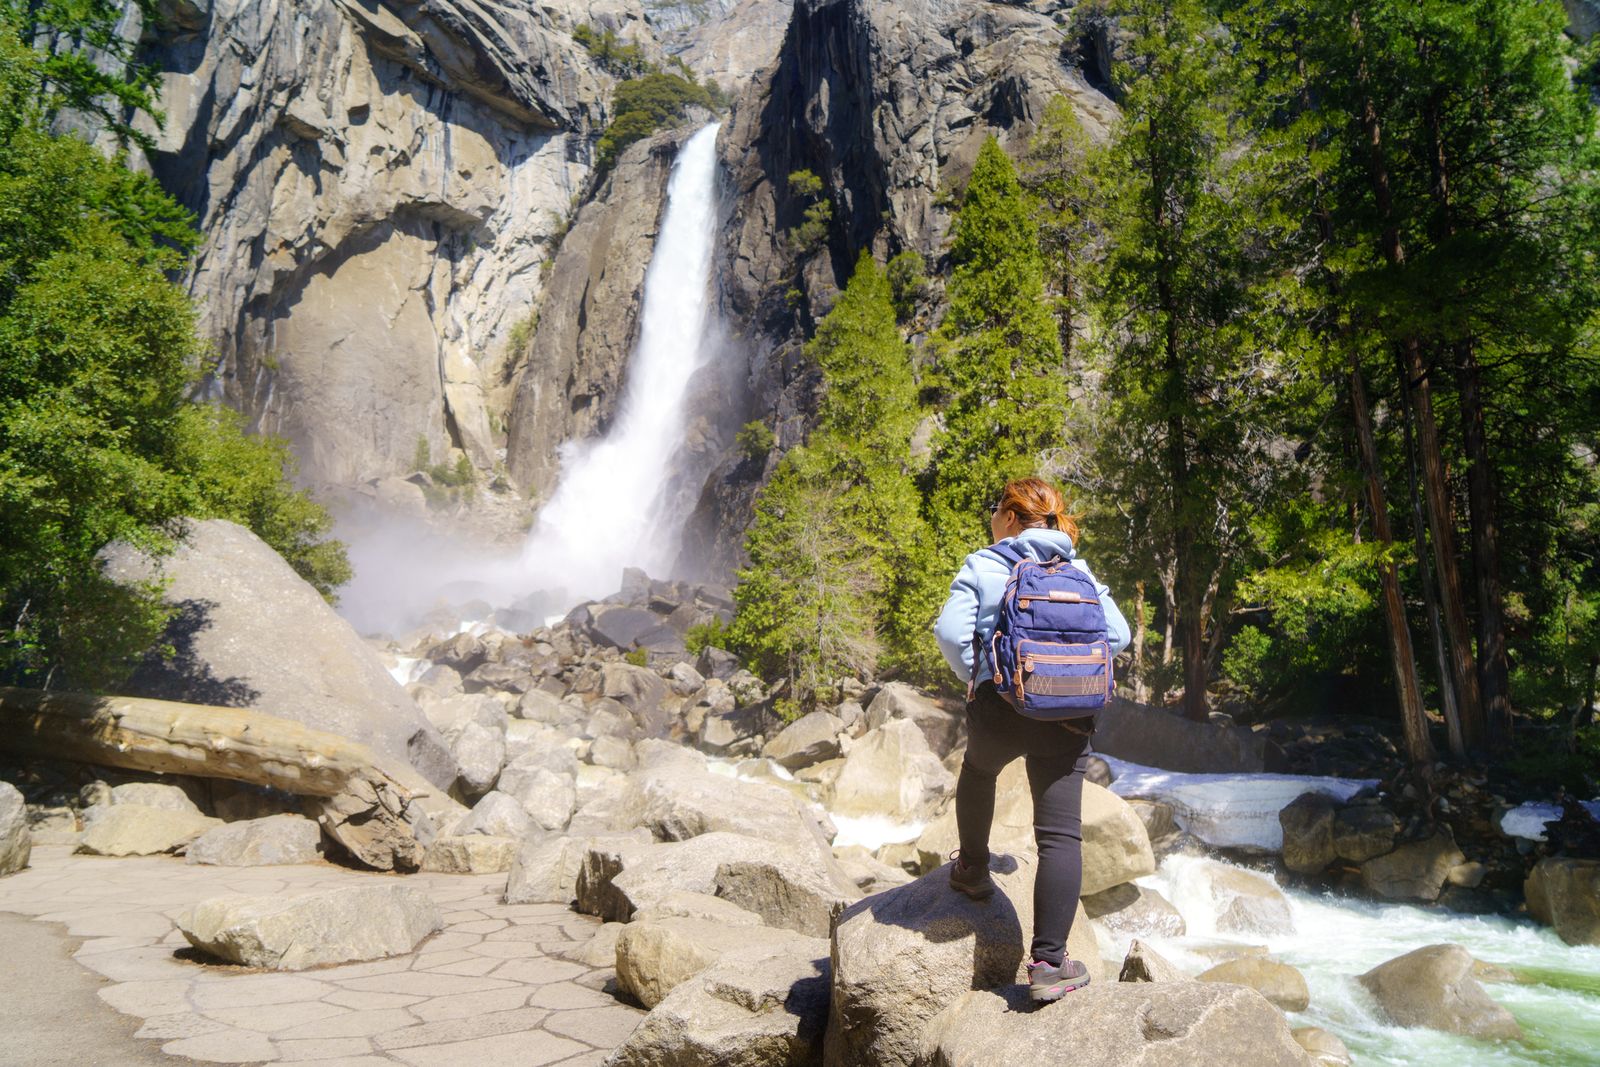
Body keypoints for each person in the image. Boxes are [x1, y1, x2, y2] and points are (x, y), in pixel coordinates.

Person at [933, 476, 1130, 1002]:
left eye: (997, 508)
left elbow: (951, 634)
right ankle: (1048, 964)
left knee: (979, 771)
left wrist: (983, 676)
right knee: (1060, 837)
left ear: (1014, 519)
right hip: (1066, 718)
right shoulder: (1080, 570)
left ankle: (972, 869)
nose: (993, 518)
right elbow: (1120, 635)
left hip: (1001, 709)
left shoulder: (985, 563)